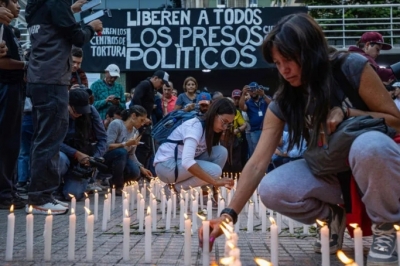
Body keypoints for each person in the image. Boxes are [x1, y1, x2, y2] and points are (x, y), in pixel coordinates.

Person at [200, 13, 400, 266]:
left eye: (289, 59)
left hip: (378, 165)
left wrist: (348, 112)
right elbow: (257, 163)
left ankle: (386, 226)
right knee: (273, 188)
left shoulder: (351, 67)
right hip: (331, 170)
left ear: (311, 51)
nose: (284, 70)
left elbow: (394, 120)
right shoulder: (286, 100)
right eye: (277, 62)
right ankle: (331, 217)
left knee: (368, 145)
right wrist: (229, 215)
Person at [25, 0, 103, 214]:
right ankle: (41, 197)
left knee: (42, 137)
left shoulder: (36, 5)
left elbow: (52, 25)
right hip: (52, 78)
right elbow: (77, 36)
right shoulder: (56, 1)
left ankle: (38, 194)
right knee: (50, 138)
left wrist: (71, 11)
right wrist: (92, 26)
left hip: (39, 77)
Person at [154, 98, 235, 194]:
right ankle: (174, 189)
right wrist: (215, 181)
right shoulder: (195, 126)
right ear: (214, 114)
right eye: (224, 121)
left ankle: (206, 192)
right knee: (215, 171)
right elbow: (187, 161)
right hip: (166, 166)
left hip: (179, 165)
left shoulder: (211, 130)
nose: (225, 127)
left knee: (221, 151)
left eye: (228, 124)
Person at [58, 89, 107, 202]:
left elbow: (103, 139)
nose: (79, 114)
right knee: (59, 159)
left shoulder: (91, 111)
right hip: (64, 154)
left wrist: (94, 158)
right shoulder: (59, 111)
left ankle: (73, 185)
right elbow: (54, 142)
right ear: (68, 104)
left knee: (72, 195)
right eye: (76, 110)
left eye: (82, 111)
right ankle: (54, 188)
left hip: (83, 160)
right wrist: (75, 153)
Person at [0, 0, 26, 209]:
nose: (18, 6)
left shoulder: (9, 29)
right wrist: (27, 65)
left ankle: (10, 189)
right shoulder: (1, 26)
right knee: (6, 142)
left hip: (15, 88)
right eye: (14, 1)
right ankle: (4, 193)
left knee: (12, 144)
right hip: (6, 88)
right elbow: (2, 62)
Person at [102, 105, 152, 195]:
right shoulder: (117, 124)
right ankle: (118, 186)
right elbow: (107, 146)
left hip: (123, 159)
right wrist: (125, 144)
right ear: (133, 116)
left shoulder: (135, 132)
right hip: (107, 158)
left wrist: (141, 167)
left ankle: (112, 181)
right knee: (122, 152)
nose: (142, 124)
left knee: (136, 172)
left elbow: (131, 154)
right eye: (141, 120)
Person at [131, 70, 170, 172]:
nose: (161, 86)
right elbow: (135, 99)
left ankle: (141, 171)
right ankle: (138, 172)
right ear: (155, 78)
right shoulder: (145, 84)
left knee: (146, 148)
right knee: (142, 147)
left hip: (144, 121)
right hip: (139, 122)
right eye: (161, 83)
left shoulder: (151, 88)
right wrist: (142, 117)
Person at [239, 82, 271, 157]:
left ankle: (268, 168)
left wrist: (263, 95)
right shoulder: (248, 103)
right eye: (251, 90)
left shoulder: (264, 99)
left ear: (258, 89)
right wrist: (243, 94)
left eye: (254, 89)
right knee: (255, 152)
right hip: (255, 131)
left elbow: (272, 105)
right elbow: (242, 107)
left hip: (266, 129)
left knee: (267, 150)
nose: (253, 92)